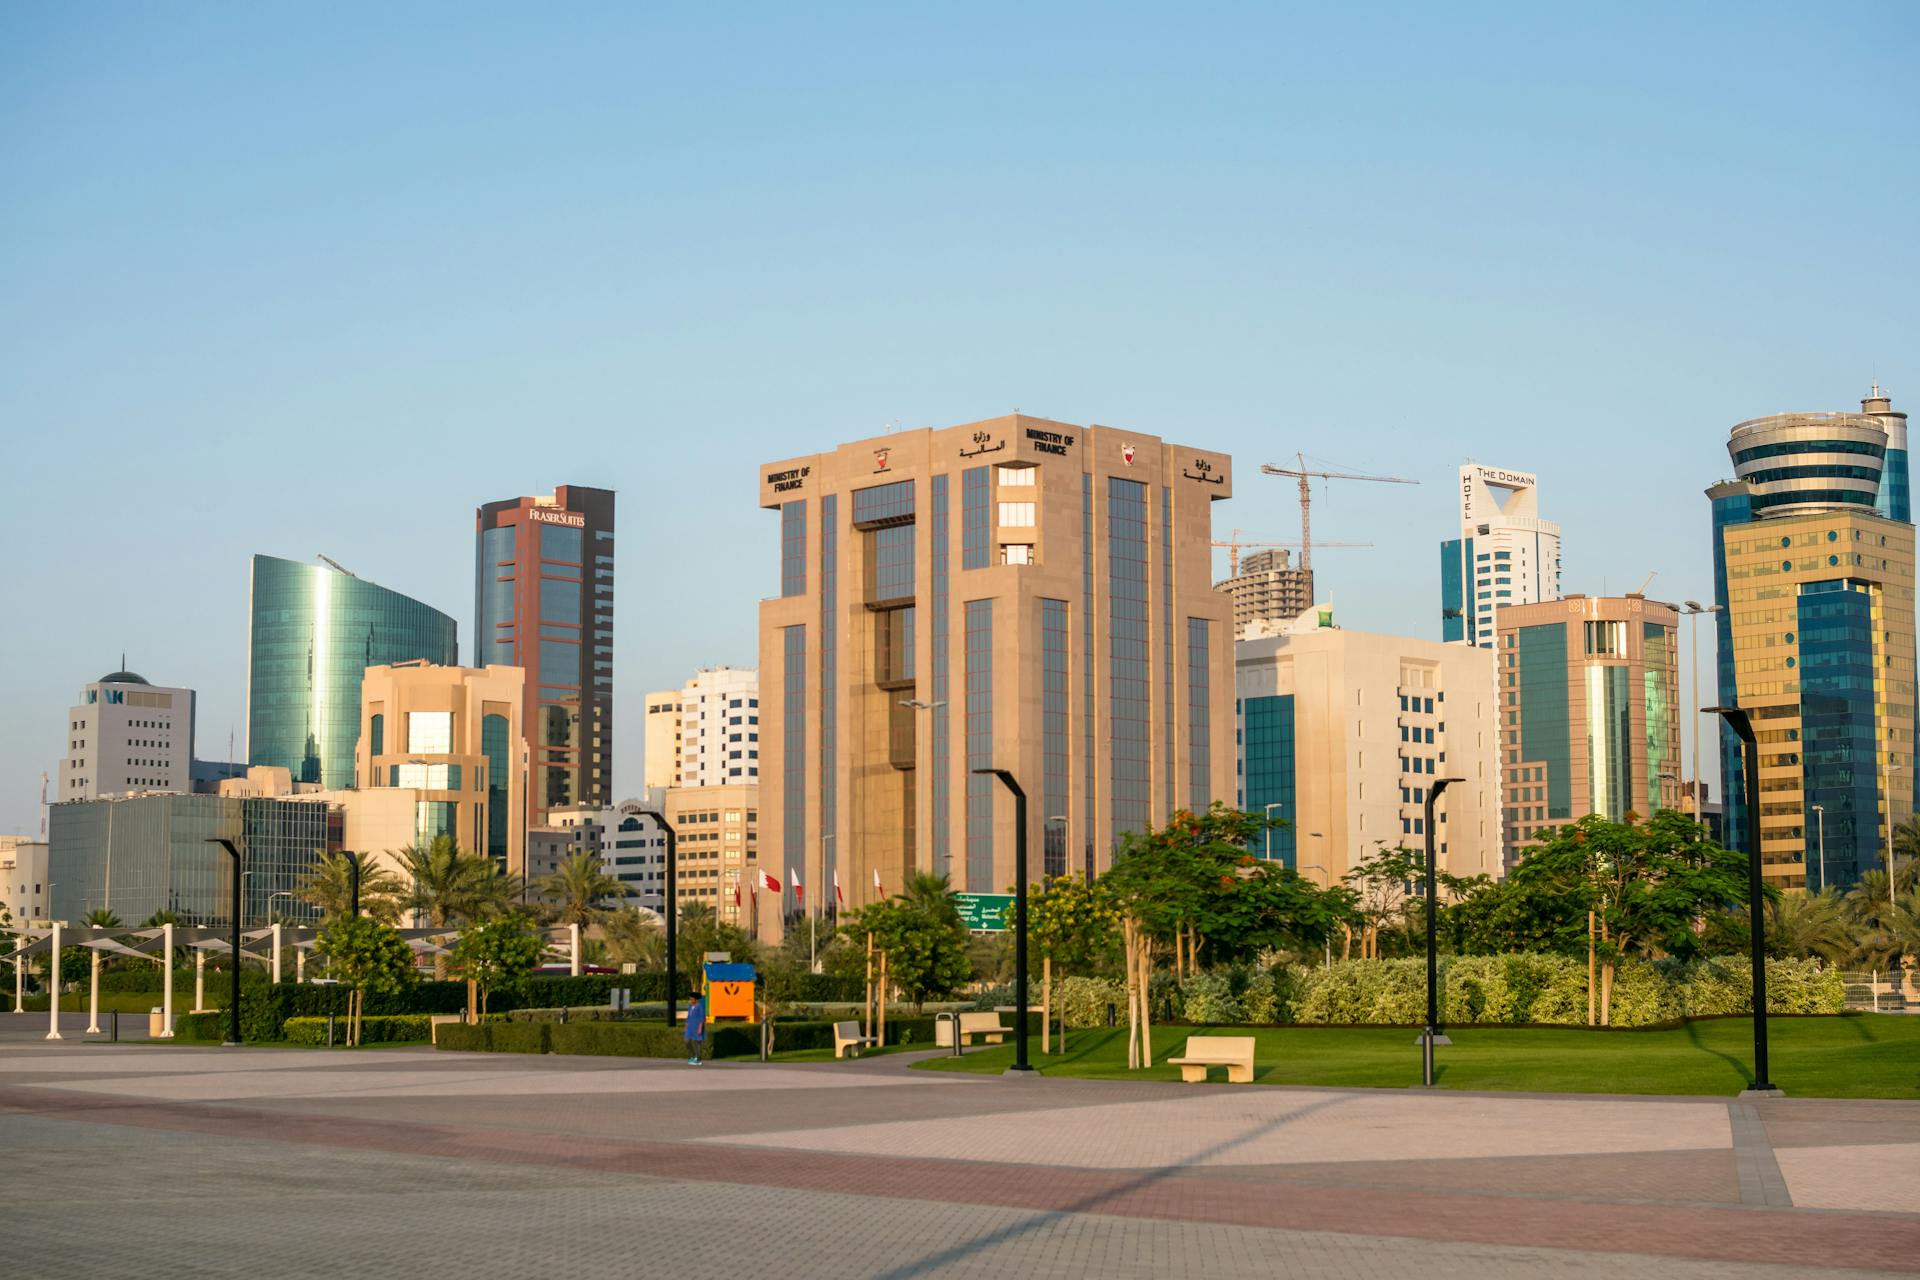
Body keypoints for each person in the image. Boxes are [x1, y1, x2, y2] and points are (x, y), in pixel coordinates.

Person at [684, 992, 707, 1066]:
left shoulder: (700, 1006)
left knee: (697, 1043)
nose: (690, 1000)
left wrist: (700, 1028)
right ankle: (693, 1056)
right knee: (687, 1041)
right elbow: (688, 1016)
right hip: (690, 1027)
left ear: (696, 999)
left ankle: (699, 1059)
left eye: (692, 999)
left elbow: (702, 1018)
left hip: (697, 1027)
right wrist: (686, 1025)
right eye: (690, 999)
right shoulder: (690, 1006)